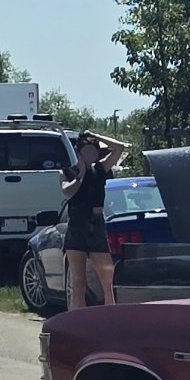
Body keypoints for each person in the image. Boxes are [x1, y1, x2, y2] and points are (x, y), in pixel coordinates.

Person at [61, 130, 130, 309]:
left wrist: (95, 136)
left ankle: (110, 317)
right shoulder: (68, 172)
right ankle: (78, 321)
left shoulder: (101, 169)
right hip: (77, 227)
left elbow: (119, 148)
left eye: (93, 151)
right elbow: (67, 192)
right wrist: (81, 174)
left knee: (108, 279)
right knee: (78, 282)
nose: (90, 155)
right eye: (86, 151)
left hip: (97, 224)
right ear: (79, 153)